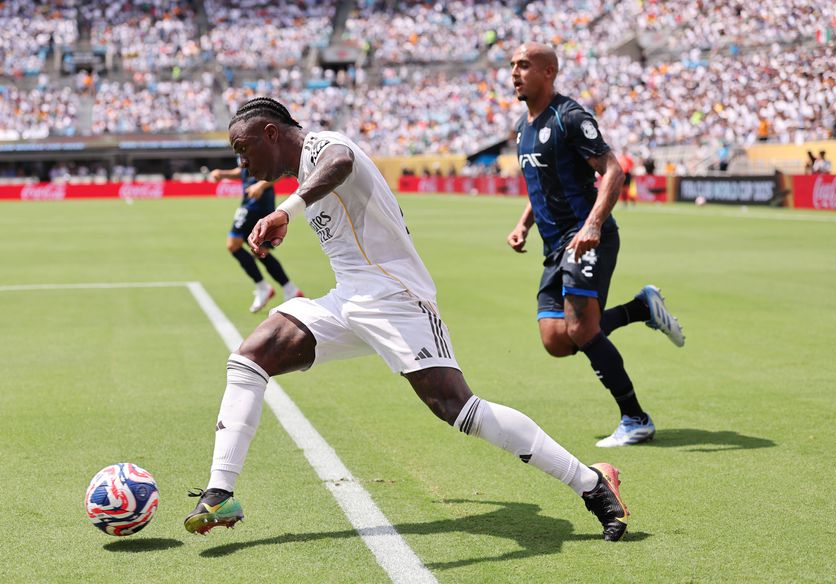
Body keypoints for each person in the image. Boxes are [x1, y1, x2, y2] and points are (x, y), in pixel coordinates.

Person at [184, 97, 631, 542]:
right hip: (348, 300)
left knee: (458, 410)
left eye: (242, 149)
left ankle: (590, 483)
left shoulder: (324, 145)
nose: (240, 162)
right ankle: (221, 491)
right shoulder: (303, 169)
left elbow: (340, 161)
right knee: (249, 358)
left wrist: (286, 211)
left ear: (270, 133)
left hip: (397, 297)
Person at [506, 43, 685, 448]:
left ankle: (635, 418)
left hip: (587, 239)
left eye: (524, 65)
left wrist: (593, 225)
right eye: (512, 66)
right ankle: (641, 308)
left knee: (580, 327)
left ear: (549, 71)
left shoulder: (569, 117)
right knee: (556, 340)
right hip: (555, 246)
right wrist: (523, 224)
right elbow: (542, 186)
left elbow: (613, 170)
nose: (514, 73)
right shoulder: (523, 127)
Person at [209, 163, 303, 312]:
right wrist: (223, 173)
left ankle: (263, 287)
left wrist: (260, 186)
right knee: (260, 249)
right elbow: (243, 171)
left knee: (234, 245)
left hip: (258, 203)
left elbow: (281, 171)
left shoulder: (258, 141)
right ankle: (290, 289)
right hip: (250, 201)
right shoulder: (242, 144)